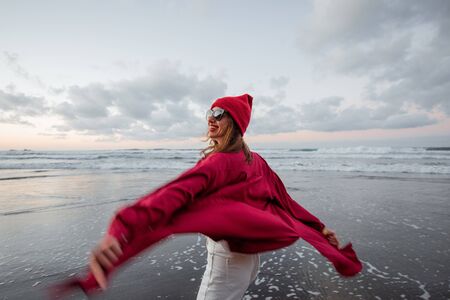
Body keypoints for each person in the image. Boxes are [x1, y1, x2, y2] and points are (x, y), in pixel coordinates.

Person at [52, 94, 361, 299]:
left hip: (226, 258)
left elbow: (172, 195)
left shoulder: (219, 162)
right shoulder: (255, 160)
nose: (210, 118)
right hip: (247, 258)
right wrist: (319, 227)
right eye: (209, 113)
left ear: (235, 122)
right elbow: (286, 202)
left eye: (219, 113)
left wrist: (122, 226)